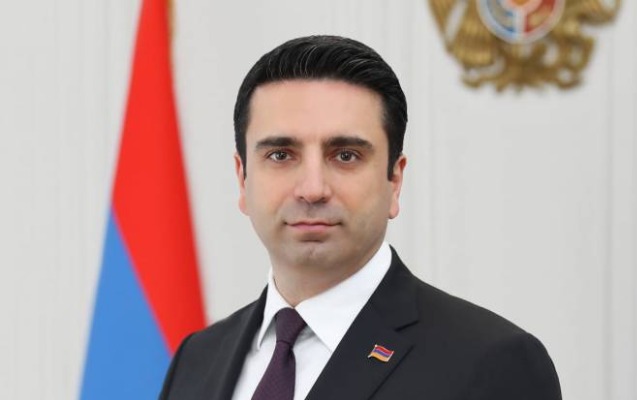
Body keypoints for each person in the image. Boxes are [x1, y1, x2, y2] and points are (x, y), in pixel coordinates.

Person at [159, 35, 562, 400]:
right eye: (281, 155)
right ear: (242, 178)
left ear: (395, 181)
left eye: (346, 156)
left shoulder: (492, 362)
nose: (312, 188)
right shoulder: (197, 358)